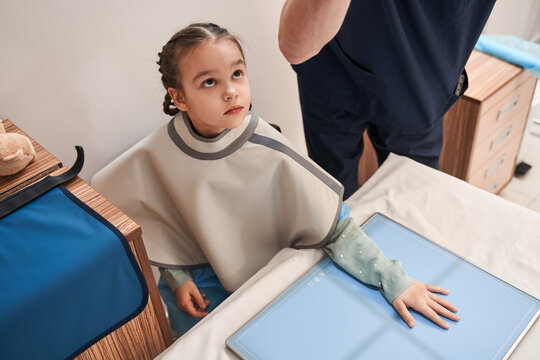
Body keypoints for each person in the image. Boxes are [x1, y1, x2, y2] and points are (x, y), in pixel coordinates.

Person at [91, 23, 459, 338]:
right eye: (208, 82)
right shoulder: (159, 154)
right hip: (201, 274)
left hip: (259, 269)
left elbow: (336, 227)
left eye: (237, 74)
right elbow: (160, 222)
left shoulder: (267, 147)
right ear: (179, 97)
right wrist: (177, 278)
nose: (231, 90)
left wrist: (393, 280)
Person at [278, 0, 496, 199]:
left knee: (412, 204)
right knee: (334, 200)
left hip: (419, 81)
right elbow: (295, 47)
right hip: (334, 65)